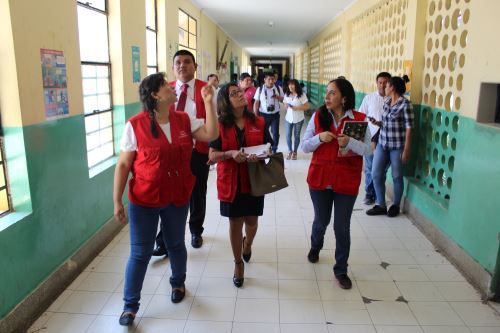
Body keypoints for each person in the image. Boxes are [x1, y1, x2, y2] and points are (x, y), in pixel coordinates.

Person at [113, 72, 218, 326]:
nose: (172, 88)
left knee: (175, 243)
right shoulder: (135, 125)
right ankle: (130, 306)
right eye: (165, 86)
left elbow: (210, 134)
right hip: (145, 198)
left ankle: (178, 282)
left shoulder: (183, 118)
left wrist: (209, 102)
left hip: (177, 194)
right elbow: (124, 164)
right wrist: (117, 200)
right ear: (155, 95)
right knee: (140, 252)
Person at [302, 78, 372, 289]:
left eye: (332, 93)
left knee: (342, 227)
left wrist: (350, 142)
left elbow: (369, 149)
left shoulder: (359, 120)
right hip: (320, 179)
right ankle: (316, 245)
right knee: (321, 221)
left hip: (346, 181)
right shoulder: (318, 116)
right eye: (327, 92)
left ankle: (341, 269)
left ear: (344, 98)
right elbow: (304, 146)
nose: (327, 97)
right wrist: (319, 138)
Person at [208, 83, 272, 288]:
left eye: (240, 92)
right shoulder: (219, 126)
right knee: (235, 223)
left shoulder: (259, 122)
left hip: (253, 180)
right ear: (226, 101)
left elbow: (269, 147)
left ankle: (248, 244)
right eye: (234, 94)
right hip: (231, 182)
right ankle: (238, 264)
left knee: (251, 222)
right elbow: (212, 156)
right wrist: (230, 154)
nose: (240, 95)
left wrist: (264, 153)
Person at [151, 50, 212, 257]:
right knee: (168, 196)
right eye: (178, 62)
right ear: (173, 67)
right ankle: (163, 240)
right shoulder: (165, 91)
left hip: (198, 150)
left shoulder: (206, 90)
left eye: (187, 62)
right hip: (172, 153)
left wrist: (213, 148)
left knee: (197, 193)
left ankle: (196, 230)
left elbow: (215, 122)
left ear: (195, 66)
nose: (182, 66)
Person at [366, 76, 413, 217]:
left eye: (387, 86)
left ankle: (396, 205)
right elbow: (387, 122)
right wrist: (377, 123)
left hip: (397, 146)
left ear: (392, 87)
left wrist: (406, 150)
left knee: (397, 176)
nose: (384, 88)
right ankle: (381, 204)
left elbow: (409, 128)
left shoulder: (405, 105)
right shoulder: (386, 102)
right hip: (383, 143)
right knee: (376, 173)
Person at [358, 72, 391, 205]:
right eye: (380, 82)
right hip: (370, 140)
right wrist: (360, 137)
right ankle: (369, 193)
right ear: (376, 83)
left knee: (381, 170)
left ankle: (379, 195)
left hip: (387, 141)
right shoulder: (369, 98)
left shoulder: (392, 100)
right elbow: (361, 116)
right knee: (370, 168)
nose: (382, 85)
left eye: (385, 83)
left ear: (389, 84)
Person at [253, 72, 284, 153]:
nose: (271, 81)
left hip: (275, 115)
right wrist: (255, 115)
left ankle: (274, 149)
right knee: (263, 132)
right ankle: (265, 148)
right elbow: (256, 102)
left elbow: (283, 100)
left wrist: (277, 97)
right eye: (269, 79)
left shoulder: (278, 88)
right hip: (263, 115)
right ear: (264, 80)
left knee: (275, 133)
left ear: (275, 80)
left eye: (272, 79)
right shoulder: (260, 89)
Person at [283, 79, 310, 160]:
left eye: (292, 84)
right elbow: (284, 102)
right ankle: (290, 151)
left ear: (296, 85)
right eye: (289, 85)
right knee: (288, 135)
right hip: (288, 118)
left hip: (299, 118)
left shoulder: (302, 95)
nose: (290, 86)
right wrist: (286, 105)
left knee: (297, 136)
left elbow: (307, 106)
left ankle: (295, 152)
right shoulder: (287, 94)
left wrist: (297, 108)